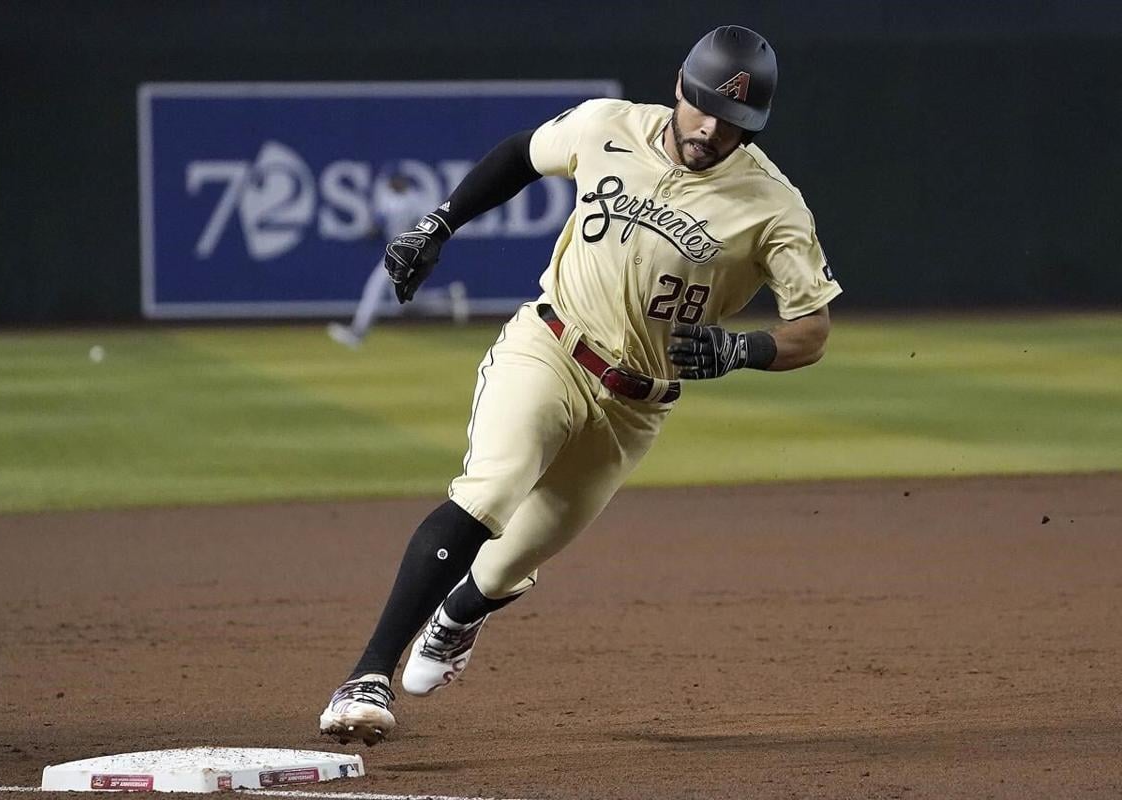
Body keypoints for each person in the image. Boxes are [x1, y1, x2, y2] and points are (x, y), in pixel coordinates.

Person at [320, 24, 841, 745]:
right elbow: (520, 156)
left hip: (635, 408)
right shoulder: (607, 126)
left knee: (508, 562)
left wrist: (742, 349)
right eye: (703, 107)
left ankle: (461, 615)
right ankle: (367, 676)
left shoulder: (774, 205)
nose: (712, 128)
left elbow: (812, 328)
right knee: (491, 490)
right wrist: (439, 223)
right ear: (680, 88)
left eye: (734, 122)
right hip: (552, 347)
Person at [327, 169, 469, 349]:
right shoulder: (390, 197)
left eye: (395, 180)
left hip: (409, 251)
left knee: (375, 285)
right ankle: (448, 299)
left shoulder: (412, 200)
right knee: (404, 305)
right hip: (402, 250)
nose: (392, 183)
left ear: (403, 181)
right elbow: (379, 224)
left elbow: (430, 226)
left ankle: (358, 332)